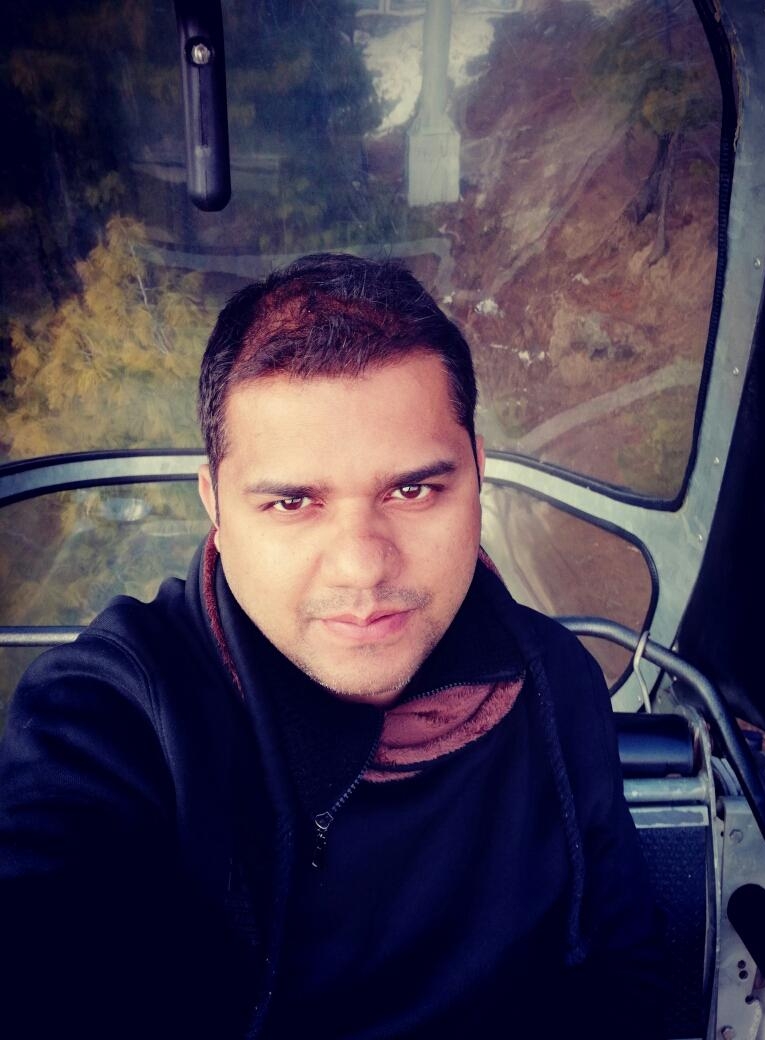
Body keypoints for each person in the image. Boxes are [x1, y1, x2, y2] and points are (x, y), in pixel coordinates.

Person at [0, 253, 664, 1039]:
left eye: (412, 490)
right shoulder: (119, 717)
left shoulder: (555, 680)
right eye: (292, 503)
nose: (362, 566)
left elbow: (626, 975)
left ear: (479, 477)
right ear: (216, 507)